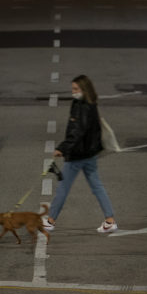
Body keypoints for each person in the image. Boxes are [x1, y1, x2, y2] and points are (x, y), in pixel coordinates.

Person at [44, 75, 117, 234]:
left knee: (63, 187)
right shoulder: (91, 104)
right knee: (97, 186)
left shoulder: (81, 106)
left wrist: (62, 148)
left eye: (76, 89)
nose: (73, 92)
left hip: (78, 155)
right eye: (73, 89)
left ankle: (50, 221)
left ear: (84, 89)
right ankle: (110, 220)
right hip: (90, 154)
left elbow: (77, 132)